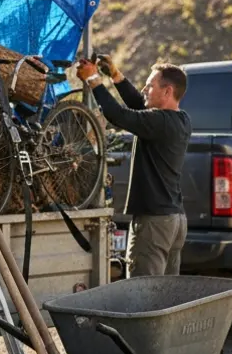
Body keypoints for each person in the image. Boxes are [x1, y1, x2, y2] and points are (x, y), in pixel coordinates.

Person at [74, 57, 191, 276]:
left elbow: (118, 116)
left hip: (154, 221)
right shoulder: (181, 120)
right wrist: (117, 77)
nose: (145, 89)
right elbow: (140, 105)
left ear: (167, 91)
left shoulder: (159, 122)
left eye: (151, 85)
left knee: (143, 292)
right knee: (167, 293)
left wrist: (93, 79)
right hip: (174, 219)